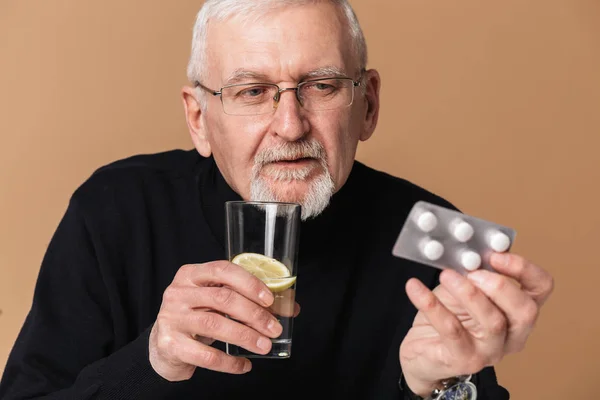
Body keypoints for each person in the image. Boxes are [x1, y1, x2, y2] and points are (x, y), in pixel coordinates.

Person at [0, 1, 554, 399]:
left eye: (322, 85)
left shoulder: (435, 236)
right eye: (252, 92)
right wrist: (151, 362)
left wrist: (433, 386)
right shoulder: (115, 211)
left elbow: (458, 388)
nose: (290, 126)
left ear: (368, 106)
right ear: (199, 119)